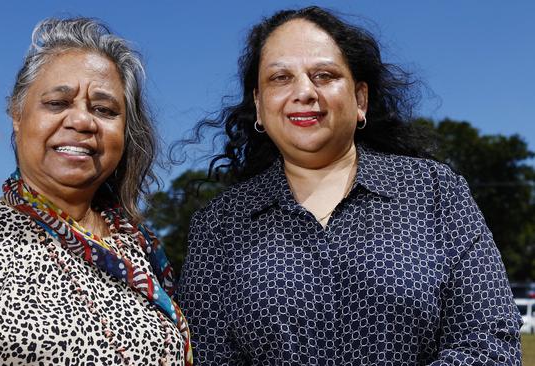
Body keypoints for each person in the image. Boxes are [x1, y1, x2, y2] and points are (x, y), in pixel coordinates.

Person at [176, 6, 521, 365]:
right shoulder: (218, 226)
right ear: (259, 106)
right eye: (280, 78)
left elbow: (490, 341)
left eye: (324, 75)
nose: (305, 92)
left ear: (360, 99)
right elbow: (206, 356)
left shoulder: (435, 191)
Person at [0, 17, 191, 366]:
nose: (82, 121)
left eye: (104, 110)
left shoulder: (138, 248)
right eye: (58, 103)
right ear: (18, 113)